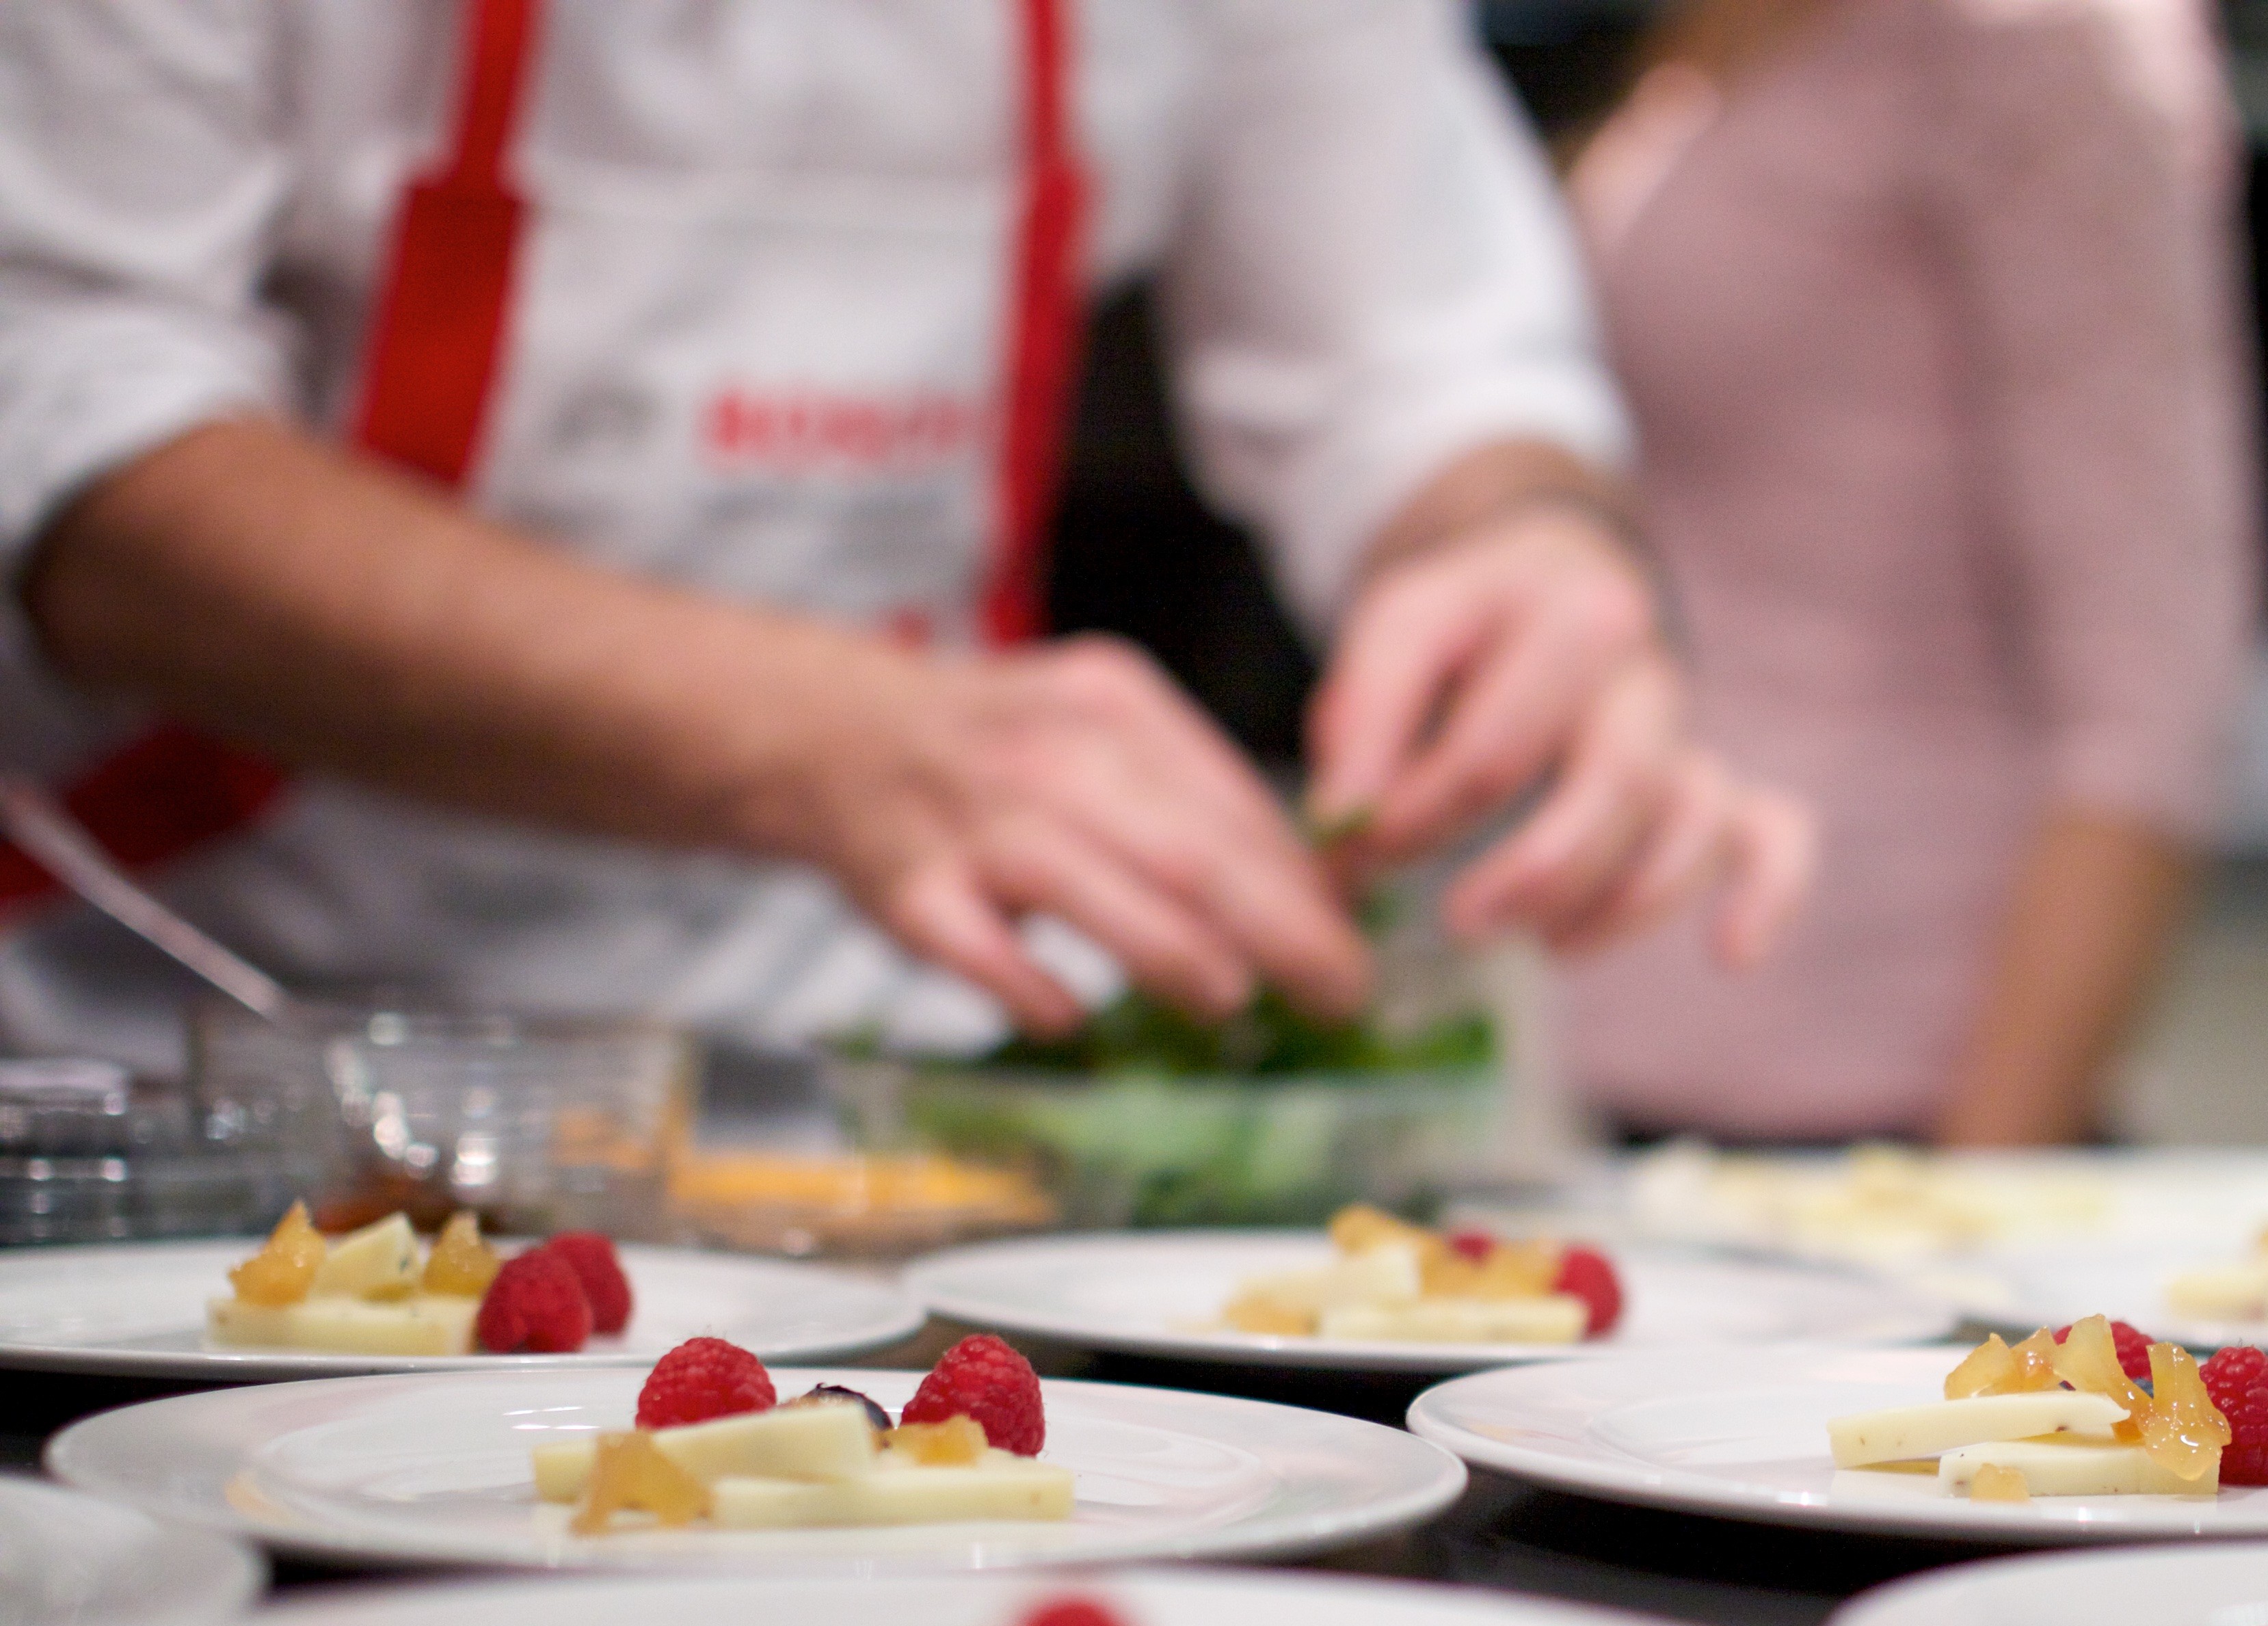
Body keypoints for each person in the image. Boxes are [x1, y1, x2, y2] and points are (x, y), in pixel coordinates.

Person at [0, 1, 1812, 1071]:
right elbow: (75, 415)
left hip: (894, 1087)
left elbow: (1417, 361)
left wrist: (1524, 545)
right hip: (195, 1049)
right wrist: (818, 736)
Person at [1554, 0, 2263, 1145]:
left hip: (1906, 1087)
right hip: (1656, 1041)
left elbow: (2150, 671)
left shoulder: (2037, 38)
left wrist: (1976, 1190)